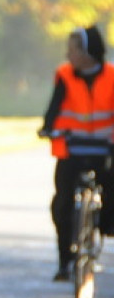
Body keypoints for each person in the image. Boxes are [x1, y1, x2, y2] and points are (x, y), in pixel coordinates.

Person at [40, 25, 114, 281]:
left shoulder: (111, 76)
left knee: (111, 192)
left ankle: (104, 227)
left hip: (105, 148)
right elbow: (54, 106)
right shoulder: (64, 75)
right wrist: (48, 128)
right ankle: (65, 262)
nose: (68, 55)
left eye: (72, 50)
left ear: (87, 53)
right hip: (72, 148)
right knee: (63, 202)